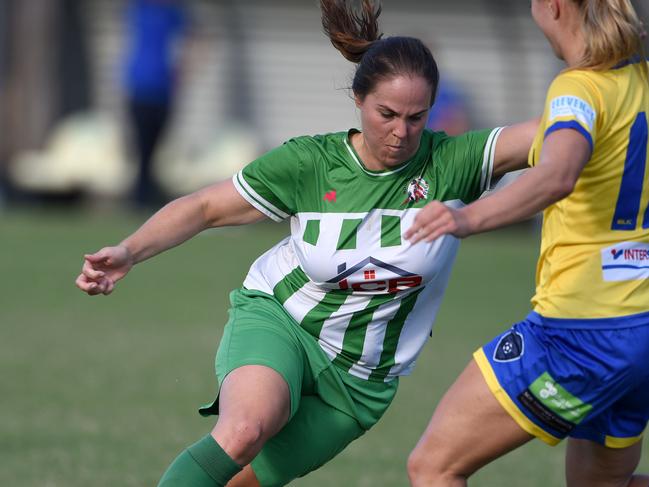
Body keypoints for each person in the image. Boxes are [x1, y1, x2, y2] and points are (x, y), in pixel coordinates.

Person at [76, 1, 536, 486]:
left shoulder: (451, 163)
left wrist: (600, 87)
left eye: (416, 118)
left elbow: (559, 132)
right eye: (387, 114)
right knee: (244, 431)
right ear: (359, 100)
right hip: (284, 323)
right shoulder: (310, 164)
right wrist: (129, 251)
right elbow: (205, 208)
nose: (401, 132)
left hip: (361, 384)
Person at [405, 1, 649, 486]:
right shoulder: (639, 77)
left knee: (433, 467)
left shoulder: (577, 88)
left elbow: (558, 173)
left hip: (581, 331)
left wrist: (466, 217)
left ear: (553, 6)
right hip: (640, 327)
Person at [123, 0, 189, 208]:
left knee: (153, 149)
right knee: (142, 147)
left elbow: (191, 41)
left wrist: (182, 76)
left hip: (163, 91)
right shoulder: (140, 8)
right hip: (140, 89)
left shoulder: (174, 13)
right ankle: (140, 196)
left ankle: (144, 193)